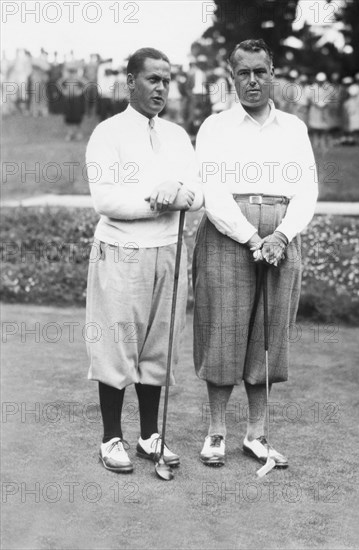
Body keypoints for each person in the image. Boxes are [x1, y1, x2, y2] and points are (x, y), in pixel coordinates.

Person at [193, 39, 318, 468]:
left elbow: (307, 190)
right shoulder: (215, 127)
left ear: (272, 72)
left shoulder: (295, 128)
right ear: (231, 77)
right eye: (243, 73)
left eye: (260, 72)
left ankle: (256, 434)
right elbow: (211, 192)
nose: (252, 81)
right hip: (230, 235)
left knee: (269, 336)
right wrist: (250, 236)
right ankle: (216, 432)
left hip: (281, 235)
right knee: (223, 331)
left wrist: (281, 236)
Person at [85, 47, 203, 473]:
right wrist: (161, 197)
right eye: (153, 79)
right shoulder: (108, 133)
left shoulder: (175, 135)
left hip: (169, 251)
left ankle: (149, 436)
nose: (161, 88)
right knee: (117, 344)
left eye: (167, 81)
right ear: (131, 81)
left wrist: (178, 190)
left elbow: (198, 190)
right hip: (122, 250)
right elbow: (106, 199)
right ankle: (110, 437)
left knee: (160, 346)